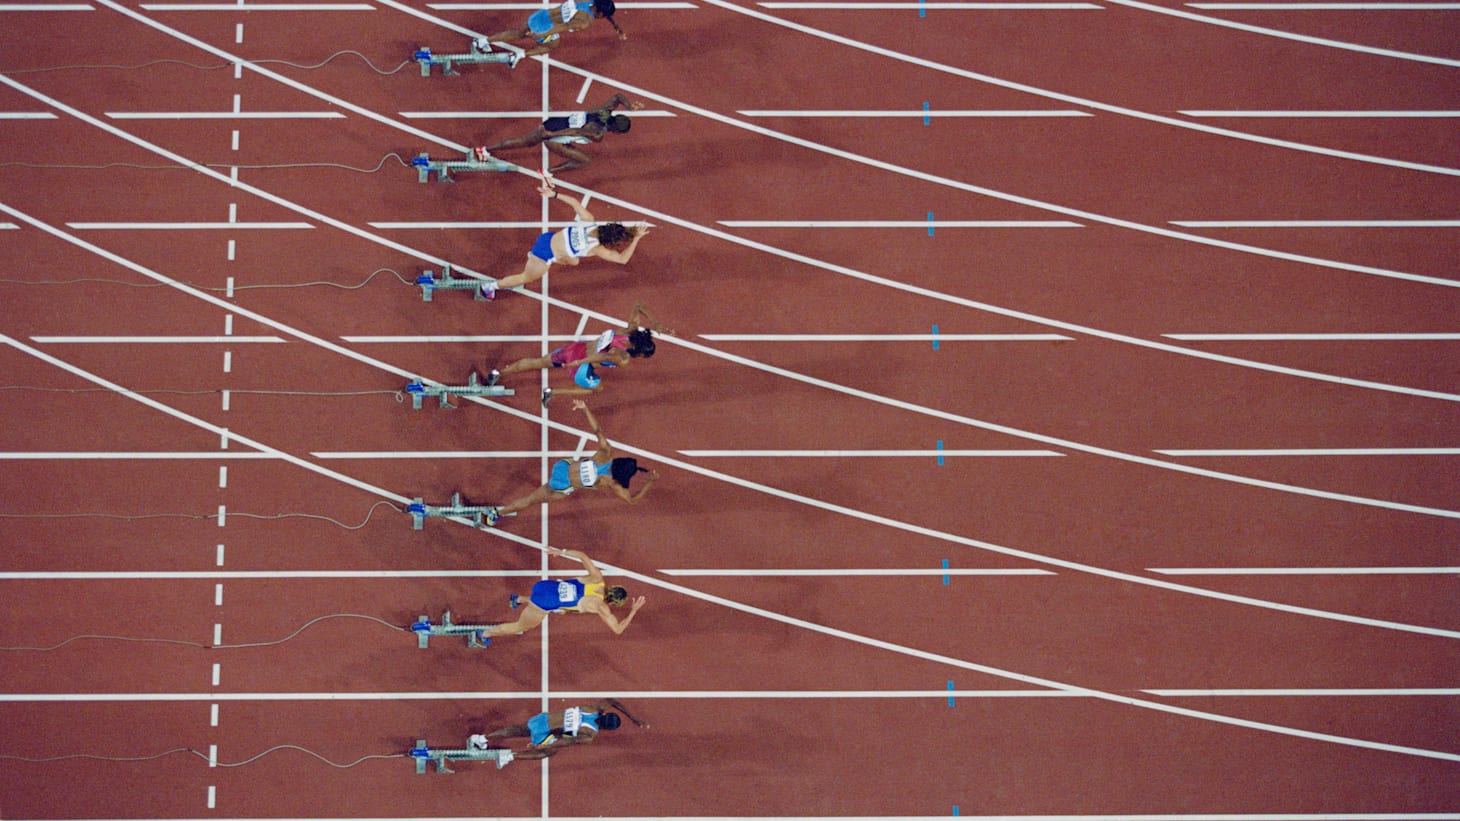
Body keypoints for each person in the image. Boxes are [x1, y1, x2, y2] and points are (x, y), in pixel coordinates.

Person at [484, 399, 658, 525]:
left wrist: (585, 408)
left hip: (563, 465)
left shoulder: (606, 454)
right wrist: (650, 482)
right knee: (530, 500)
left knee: (579, 462)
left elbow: (597, 430)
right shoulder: (614, 484)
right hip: (562, 483)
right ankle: (497, 512)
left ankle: (499, 511)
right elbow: (632, 501)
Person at [478, 185, 650, 299]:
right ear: (610, 242)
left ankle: (537, 255)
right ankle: (490, 286)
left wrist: (554, 194)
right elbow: (622, 259)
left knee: (571, 260)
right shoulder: (597, 249)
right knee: (525, 277)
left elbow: (574, 202)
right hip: (544, 256)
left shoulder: (589, 221)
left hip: (546, 238)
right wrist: (636, 238)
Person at [485, 301, 671, 405]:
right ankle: (552, 391)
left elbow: (638, 305)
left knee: (538, 362)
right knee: (597, 389)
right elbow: (602, 357)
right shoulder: (623, 357)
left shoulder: (628, 331)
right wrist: (576, 364)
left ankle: (498, 373)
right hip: (581, 365)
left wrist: (655, 323)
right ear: (639, 353)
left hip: (575, 348)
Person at [481, 546, 646, 638]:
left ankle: (518, 599)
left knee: (561, 608)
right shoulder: (600, 607)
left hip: (544, 586)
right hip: (543, 603)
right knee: (520, 627)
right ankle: (485, 634)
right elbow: (617, 629)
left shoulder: (596, 578)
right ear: (613, 603)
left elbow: (582, 555)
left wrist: (561, 552)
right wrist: (633, 611)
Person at [474, 94, 644, 174]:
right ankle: (548, 172)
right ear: (616, 131)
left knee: (525, 141)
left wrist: (629, 106)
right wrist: (549, 135)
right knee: (585, 160)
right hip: (554, 134)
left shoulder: (605, 111)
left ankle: (485, 150)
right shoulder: (597, 132)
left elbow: (618, 97)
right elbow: (574, 131)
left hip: (554, 121)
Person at [481, 698, 649, 759]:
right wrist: (542, 746)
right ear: (608, 729)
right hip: (545, 733)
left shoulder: (593, 708)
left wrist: (633, 718)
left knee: (517, 730)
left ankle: (482, 738)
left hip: (543, 718)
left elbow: (613, 701)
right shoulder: (589, 735)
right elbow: (565, 742)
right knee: (547, 753)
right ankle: (510, 756)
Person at [486, 0, 625, 58]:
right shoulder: (585, 21)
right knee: (553, 45)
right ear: (600, 14)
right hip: (544, 27)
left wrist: (615, 25)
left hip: (540, 15)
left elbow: (603, 8)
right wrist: (542, 33)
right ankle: (518, 55)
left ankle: (483, 41)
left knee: (518, 33)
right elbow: (562, 27)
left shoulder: (587, 1)